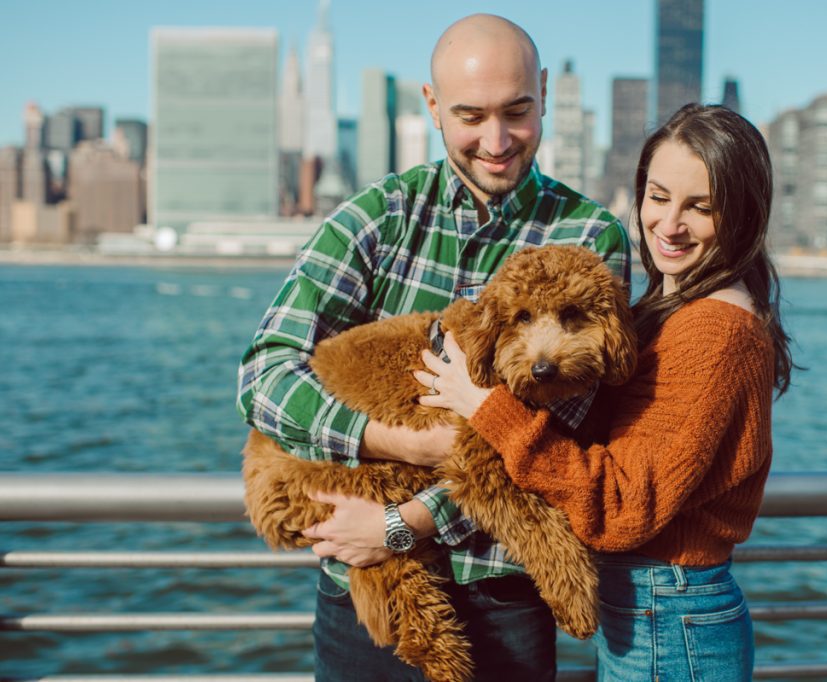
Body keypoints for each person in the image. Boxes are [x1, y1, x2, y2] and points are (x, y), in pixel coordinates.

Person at [236, 13, 630, 682]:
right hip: (362, 583)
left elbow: (557, 424)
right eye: (470, 115)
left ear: (544, 94)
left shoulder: (590, 237)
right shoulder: (378, 216)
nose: (496, 140)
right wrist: (397, 445)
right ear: (432, 106)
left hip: (506, 588)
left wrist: (405, 521)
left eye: (518, 111)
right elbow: (263, 376)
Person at [417, 103, 795, 681]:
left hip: (670, 614)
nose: (669, 224)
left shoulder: (715, 330)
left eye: (701, 207)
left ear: (742, 215)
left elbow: (621, 508)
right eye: (659, 196)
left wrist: (484, 407)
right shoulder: (681, 311)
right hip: (659, 608)